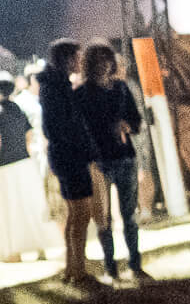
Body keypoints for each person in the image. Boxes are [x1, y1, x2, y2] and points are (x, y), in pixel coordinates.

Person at [75, 42, 148, 279]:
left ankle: (135, 265)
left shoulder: (121, 89)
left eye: (107, 59)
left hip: (125, 157)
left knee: (129, 215)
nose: (104, 65)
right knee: (103, 218)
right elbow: (80, 130)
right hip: (98, 161)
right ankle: (110, 267)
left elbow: (137, 121)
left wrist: (128, 125)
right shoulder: (82, 95)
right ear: (90, 65)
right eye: (98, 60)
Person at [36, 41, 100, 284]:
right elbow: (62, 126)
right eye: (77, 56)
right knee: (81, 213)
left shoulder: (54, 85)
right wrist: (82, 146)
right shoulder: (56, 88)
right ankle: (78, 270)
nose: (80, 61)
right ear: (67, 59)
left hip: (64, 154)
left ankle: (72, 268)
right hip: (70, 155)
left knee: (75, 214)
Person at [0, 74, 54, 261]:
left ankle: (14, 252)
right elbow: (28, 134)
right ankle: (40, 248)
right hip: (24, 163)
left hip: (5, 166)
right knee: (30, 206)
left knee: (9, 208)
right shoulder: (17, 108)